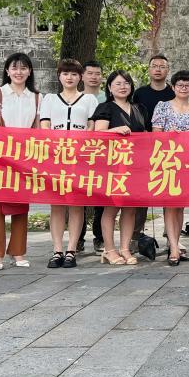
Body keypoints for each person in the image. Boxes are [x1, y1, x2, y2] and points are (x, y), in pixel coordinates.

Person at [0, 52, 41, 271]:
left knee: (21, 204)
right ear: (7, 71)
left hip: (25, 156)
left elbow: (38, 128)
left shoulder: (37, 97)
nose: (19, 72)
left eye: (23, 68)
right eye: (14, 68)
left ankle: (18, 251)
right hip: (1, 155)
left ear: (30, 71)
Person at [39, 58, 97, 270]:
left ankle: (71, 249)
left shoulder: (89, 99)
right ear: (59, 76)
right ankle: (57, 250)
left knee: (76, 204)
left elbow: (91, 126)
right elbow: (45, 125)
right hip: (56, 157)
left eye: (74, 74)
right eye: (65, 73)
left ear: (80, 77)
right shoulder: (50, 99)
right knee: (56, 204)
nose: (69, 77)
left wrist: (80, 146)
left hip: (79, 157)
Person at [92, 70, 147, 265]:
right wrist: (115, 130)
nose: (123, 87)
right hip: (113, 165)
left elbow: (145, 133)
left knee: (130, 208)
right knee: (111, 208)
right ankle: (109, 250)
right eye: (118, 83)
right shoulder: (105, 107)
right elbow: (97, 134)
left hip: (135, 165)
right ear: (109, 87)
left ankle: (125, 248)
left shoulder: (139, 108)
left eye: (126, 83)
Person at [152, 70, 189, 266]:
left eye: (187, 85)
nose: (183, 88)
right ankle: (173, 248)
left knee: (180, 205)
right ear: (173, 87)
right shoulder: (163, 106)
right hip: (167, 160)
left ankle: (176, 242)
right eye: (180, 85)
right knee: (170, 204)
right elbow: (155, 134)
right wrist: (168, 135)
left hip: (188, 162)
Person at [131, 55, 175, 248]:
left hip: (168, 149)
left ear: (168, 70)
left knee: (169, 191)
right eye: (154, 66)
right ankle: (135, 236)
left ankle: (171, 236)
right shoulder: (139, 93)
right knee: (141, 193)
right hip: (143, 149)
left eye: (162, 66)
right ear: (149, 69)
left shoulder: (174, 92)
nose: (158, 69)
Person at [76, 59, 105, 253]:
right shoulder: (76, 97)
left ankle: (100, 238)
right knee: (80, 196)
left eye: (97, 74)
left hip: (103, 153)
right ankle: (78, 238)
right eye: (90, 73)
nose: (94, 77)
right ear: (82, 76)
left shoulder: (107, 97)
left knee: (101, 196)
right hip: (79, 154)